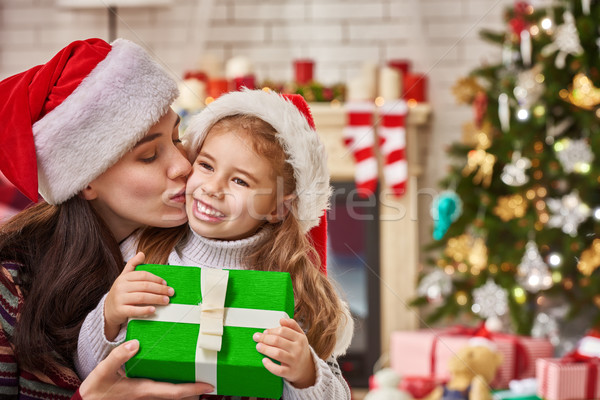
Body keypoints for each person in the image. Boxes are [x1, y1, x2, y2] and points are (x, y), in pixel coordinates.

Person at [76, 89, 354, 399]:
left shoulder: (295, 285)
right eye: (206, 166)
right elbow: (88, 374)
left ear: (278, 208)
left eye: (240, 181)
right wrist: (109, 315)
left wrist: (305, 373)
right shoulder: (146, 250)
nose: (212, 188)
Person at [0, 38, 214, 399]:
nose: (183, 166)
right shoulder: (13, 282)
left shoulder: (213, 246)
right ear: (86, 181)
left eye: (178, 139)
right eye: (149, 156)